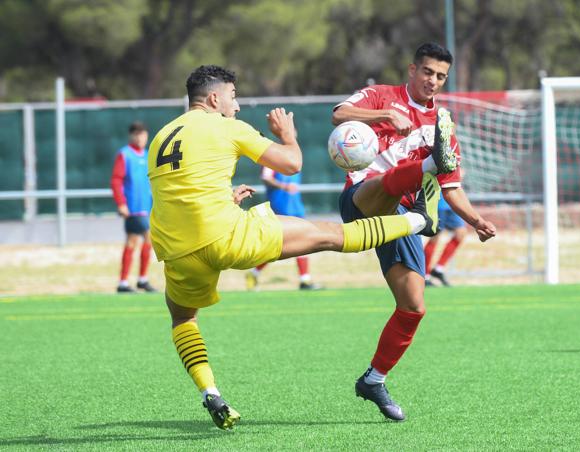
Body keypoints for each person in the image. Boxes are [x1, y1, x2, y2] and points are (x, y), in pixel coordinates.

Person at [147, 65, 454, 430]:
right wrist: (287, 135)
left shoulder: (160, 137)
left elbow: (178, 194)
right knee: (329, 236)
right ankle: (419, 220)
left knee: (183, 318)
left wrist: (226, 198)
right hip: (227, 235)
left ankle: (210, 392)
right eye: (233, 97)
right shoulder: (227, 126)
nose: (237, 106)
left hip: (177, 249)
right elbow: (291, 164)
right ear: (214, 98)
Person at [332, 42, 496, 421]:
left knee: (413, 307)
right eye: (427, 72)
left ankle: (374, 379)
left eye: (440, 76)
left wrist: (475, 221)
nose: (433, 81)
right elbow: (339, 114)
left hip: (405, 216)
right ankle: (422, 182)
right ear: (412, 70)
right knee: (391, 184)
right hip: (362, 199)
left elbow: (452, 188)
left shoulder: (442, 127)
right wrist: (384, 115)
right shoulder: (382, 96)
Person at [246, 166, 322, 291]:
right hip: (280, 208)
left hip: (296, 208)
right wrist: (283, 186)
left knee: (304, 242)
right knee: (277, 246)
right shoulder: (271, 160)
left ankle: (305, 280)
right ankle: (253, 273)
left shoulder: (295, 160)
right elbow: (266, 178)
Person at [110, 121, 156, 293]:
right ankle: (142, 280)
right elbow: (116, 180)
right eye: (136, 134)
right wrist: (121, 203)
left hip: (146, 206)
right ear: (131, 136)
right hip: (132, 208)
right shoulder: (125, 155)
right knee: (149, 237)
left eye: (143, 134)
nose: (140, 137)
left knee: (132, 242)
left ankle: (124, 282)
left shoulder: (147, 155)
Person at [424, 191, 468, 287]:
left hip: (453, 202)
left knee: (461, 234)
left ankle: (438, 269)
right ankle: (424, 274)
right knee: (435, 237)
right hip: (438, 202)